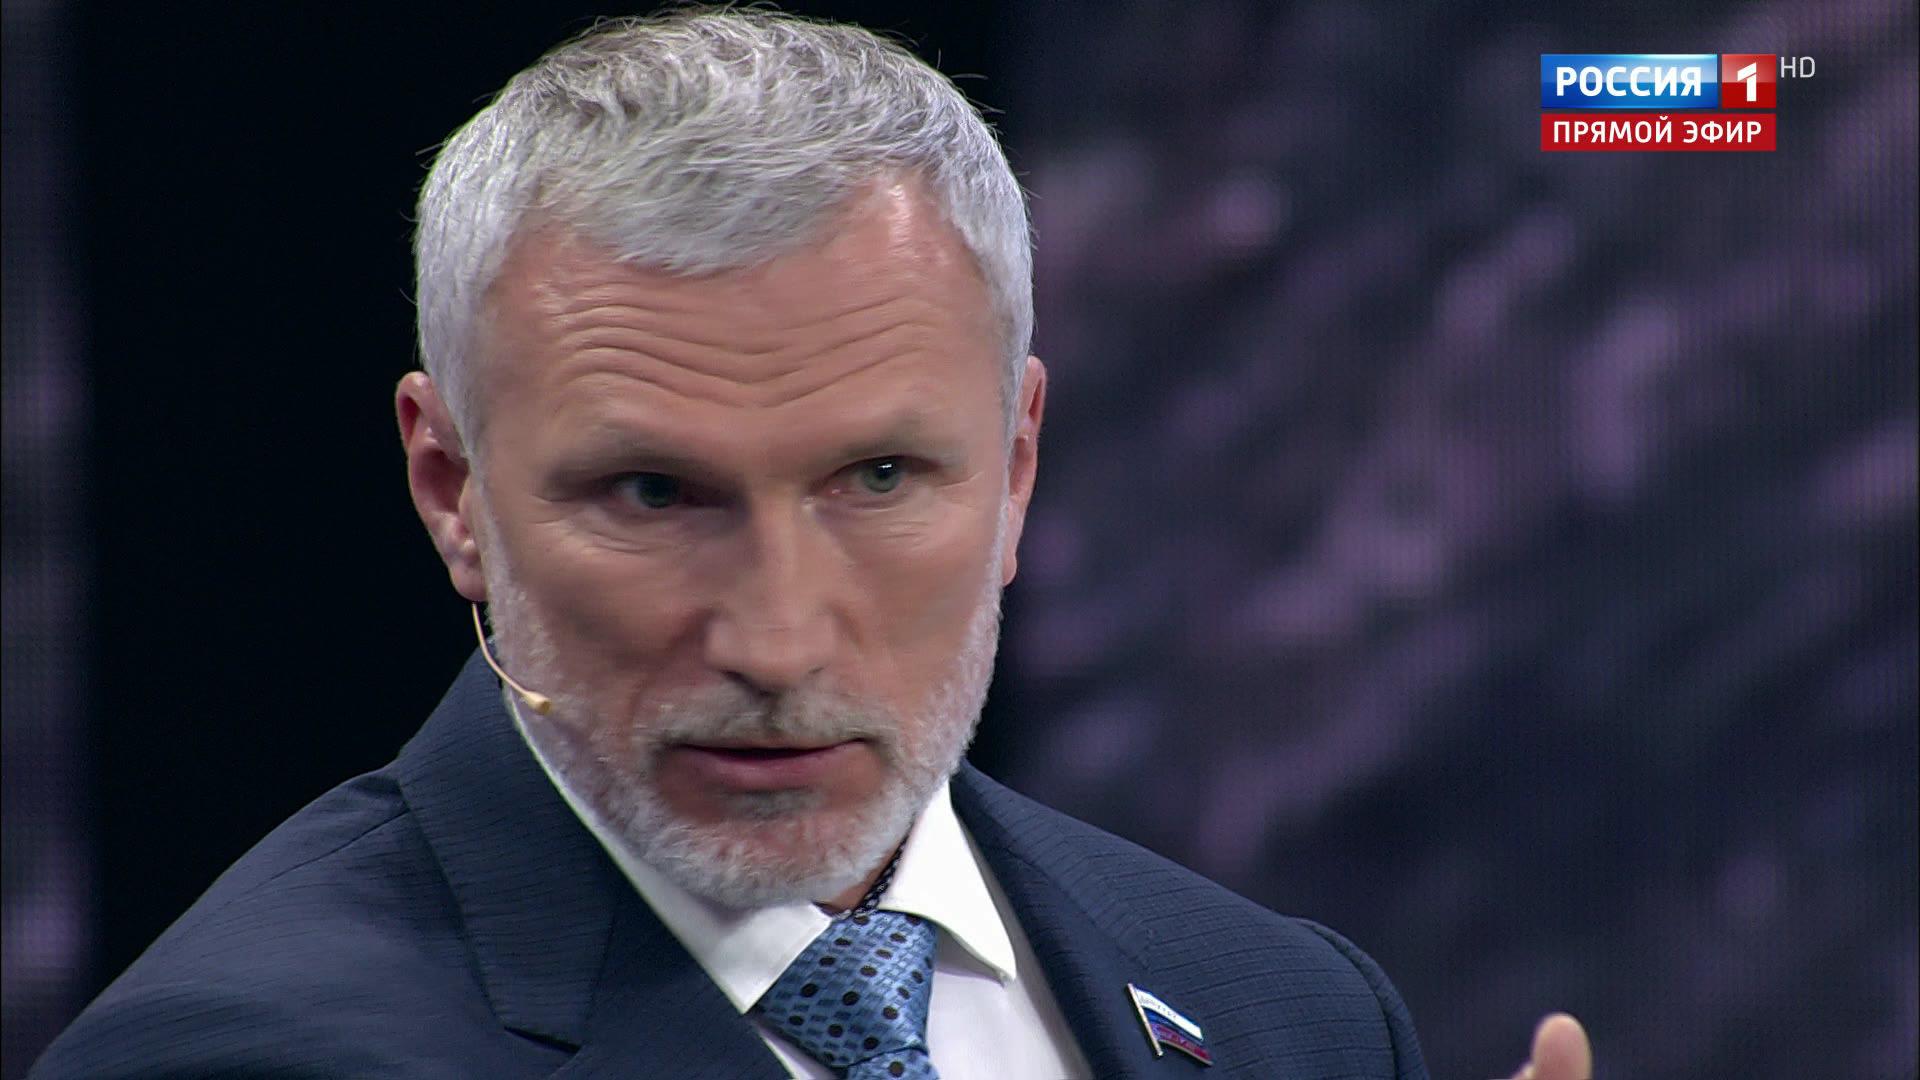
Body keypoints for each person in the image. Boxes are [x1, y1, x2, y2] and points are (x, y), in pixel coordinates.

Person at [33, 10, 1591, 1078]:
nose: (776, 643)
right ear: (453, 491)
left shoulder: (1292, 1018)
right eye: (654, 496)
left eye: (880, 478)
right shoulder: (244, 1055)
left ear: (1019, 466)